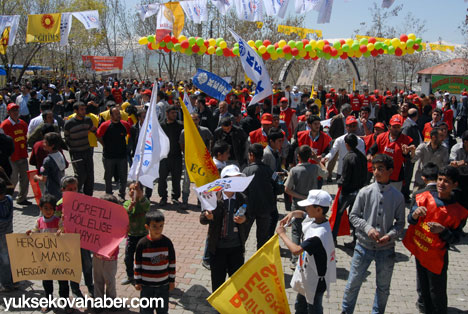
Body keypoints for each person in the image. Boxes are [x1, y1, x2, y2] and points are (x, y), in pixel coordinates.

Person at [341, 154, 405, 314]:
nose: (376, 172)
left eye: (380, 169)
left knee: (383, 288)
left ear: (390, 171)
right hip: (363, 247)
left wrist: (390, 235)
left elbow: (400, 224)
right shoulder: (365, 192)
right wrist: (368, 229)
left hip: (386, 249)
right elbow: (353, 216)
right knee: (352, 284)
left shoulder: (398, 196)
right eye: (374, 168)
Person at [403, 166, 468, 314]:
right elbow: (410, 220)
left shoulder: (458, 210)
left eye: (447, 181)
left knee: (437, 294)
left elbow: (456, 238)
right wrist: (414, 215)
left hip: (437, 259)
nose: (441, 183)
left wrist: (443, 231)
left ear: (455, 185)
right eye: (440, 179)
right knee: (424, 291)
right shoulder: (423, 197)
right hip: (420, 253)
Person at [277, 189, 336, 314]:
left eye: (308, 206)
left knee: (314, 308)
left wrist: (282, 235)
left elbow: (296, 250)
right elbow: (302, 214)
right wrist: (292, 214)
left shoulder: (319, 235)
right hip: (308, 276)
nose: (306, 209)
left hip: (316, 281)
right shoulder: (317, 218)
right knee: (300, 305)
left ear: (319, 210)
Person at [200, 165, 248, 292]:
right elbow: (202, 219)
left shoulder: (241, 198)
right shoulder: (213, 196)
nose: (237, 183)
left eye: (238, 179)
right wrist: (207, 216)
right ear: (224, 181)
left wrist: (244, 220)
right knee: (218, 283)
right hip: (217, 248)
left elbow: (246, 217)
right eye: (234, 179)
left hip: (236, 247)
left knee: (237, 284)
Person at [26, 194, 73, 314]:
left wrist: (61, 233)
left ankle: (66, 303)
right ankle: (49, 302)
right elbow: (35, 234)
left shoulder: (59, 222)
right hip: (45, 259)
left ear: (54, 209)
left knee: (63, 282)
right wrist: (30, 234)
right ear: (41, 208)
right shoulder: (39, 222)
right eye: (45, 208)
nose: (48, 211)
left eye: (51, 208)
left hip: (59, 259)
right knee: (47, 282)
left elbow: (65, 235)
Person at [285, 145, 328, 266]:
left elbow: (287, 189)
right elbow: (326, 174)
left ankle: (295, 259)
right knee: (310, 229)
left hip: (298, 204)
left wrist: (300, 196)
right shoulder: (314, 168)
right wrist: (318, 161)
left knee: (296, 231)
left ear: (298, 156)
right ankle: (309, 256)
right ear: (310, 156)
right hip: (313, 205)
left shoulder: (294, 170)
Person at [135, 210, 175, 314]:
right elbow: (138, 264)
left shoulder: (167, 243)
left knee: (162, 311)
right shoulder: (142, 244)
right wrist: (138, 281)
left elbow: (172, 263)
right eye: (154, 226)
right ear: (147, 227)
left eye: (161, 226)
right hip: (146, 286)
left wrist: (171, 281)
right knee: (146, 311)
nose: (158, 229)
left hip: (163, 285)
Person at [333, 134, 367, 245]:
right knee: (356, 216)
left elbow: (345, 177)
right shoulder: (362, 157)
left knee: (338, 214)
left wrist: (339, 183)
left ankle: (333, 239)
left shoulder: (348, 157)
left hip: (347, 192)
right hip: (359, 191)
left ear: (346, 145)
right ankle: (356, 240)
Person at [242, 145, 278, 249]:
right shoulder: (270, 171)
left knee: (243, 236)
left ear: (251, 155)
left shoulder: (246, 171)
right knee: (262, 240)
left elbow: (241, 191)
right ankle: (260, 262)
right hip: (266, 209)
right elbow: (280, 187)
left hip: (249, 210)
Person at [367, 114, 414, 191]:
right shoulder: (381, 137)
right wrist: (369, 155)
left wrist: (407, 154)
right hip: (381, 173)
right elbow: (372, 150)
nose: (396, 129)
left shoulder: (406, 140)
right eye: (394, 127)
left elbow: (409, 159)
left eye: (398, 127)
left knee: (393, 199)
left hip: (396, 176)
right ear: (389, 127)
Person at [150, 106, 183, 206]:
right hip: (163, 157)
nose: (174, 115)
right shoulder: (161, 126)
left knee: (176, 179)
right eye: (172, 113)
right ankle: (163, 197)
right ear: (167, 113)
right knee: (162, 179)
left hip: (176, 157)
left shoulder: (180, 125)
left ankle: (175, 197)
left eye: (175, 113)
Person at [92, 194, 121, 313]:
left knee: (110, 280)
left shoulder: (117, 223)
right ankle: (99, 302)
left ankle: (111, 301)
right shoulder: (95, 220)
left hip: (110, 256)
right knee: (98, 280)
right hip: (97, 255)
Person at [97, 106, 130, 202]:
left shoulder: (125, 125)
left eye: (119, 113)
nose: (118, 115)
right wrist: (104, 145)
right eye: (116, 114)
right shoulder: (105, 125)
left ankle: (122, 195)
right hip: (108, 156)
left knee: (123, 177)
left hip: (122, 156)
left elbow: (130, 135)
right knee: (108, 177)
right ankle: (109, 195)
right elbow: (98, 136)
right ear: (110, 115)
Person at [1, 103, 31, 205]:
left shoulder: (23, 123)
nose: (15, 112)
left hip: (22, 154)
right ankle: (5, 198)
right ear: (8, 112)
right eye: (13, 111)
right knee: (12, 179)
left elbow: (26, 137)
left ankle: (22, 198)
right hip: (11, 157)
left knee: (25, 178)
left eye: (17, 110)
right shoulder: (4, 125)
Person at [64, 102, 96, 196]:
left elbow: (93, 130)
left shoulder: (88, 120)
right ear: (75, 111)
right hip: (76, 153)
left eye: (84, 109)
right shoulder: (69, 123)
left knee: (90, 176)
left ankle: (88, 196)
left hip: (87, 151)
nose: (84, 111)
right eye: (81, 109)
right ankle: (76, 194)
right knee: (80, 176)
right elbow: (67, 138)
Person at [121, 181, 150, 285]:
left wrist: (140, 196)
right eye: (130, 189)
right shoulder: (126, 203)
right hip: (131, 236)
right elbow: (123, 215)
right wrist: (130, 208)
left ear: (141, 191)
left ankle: (144, 276)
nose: (132, 191)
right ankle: (130, 276)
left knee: (143, 258)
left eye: (135, 189)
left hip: (143, 236)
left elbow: (147, 206)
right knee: (128, 258)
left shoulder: (144, 202)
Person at [323, 116, 365, 182]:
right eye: (350, 126)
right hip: (342, 170)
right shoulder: (339, 140)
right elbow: (333, 151)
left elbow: (362, 155)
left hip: (355, 171)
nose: (352, 128)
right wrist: (327, 157)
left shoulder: (360, 141)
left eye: (354, 126)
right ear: (346, 127)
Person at [33, 132, 67, 200]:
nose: (43, 144)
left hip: (51, 192)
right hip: (60, 190)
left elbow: (43, 179)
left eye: (45, 142)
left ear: (52, 146)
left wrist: (36, 177)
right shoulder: (60, 154)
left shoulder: (47, 160)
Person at [0, 178, 14, 292]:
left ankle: (7, 284)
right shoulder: (9, 199)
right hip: (9, 233)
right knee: (9, 257)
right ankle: (14, 279)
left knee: (4, 260)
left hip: (1, 236)